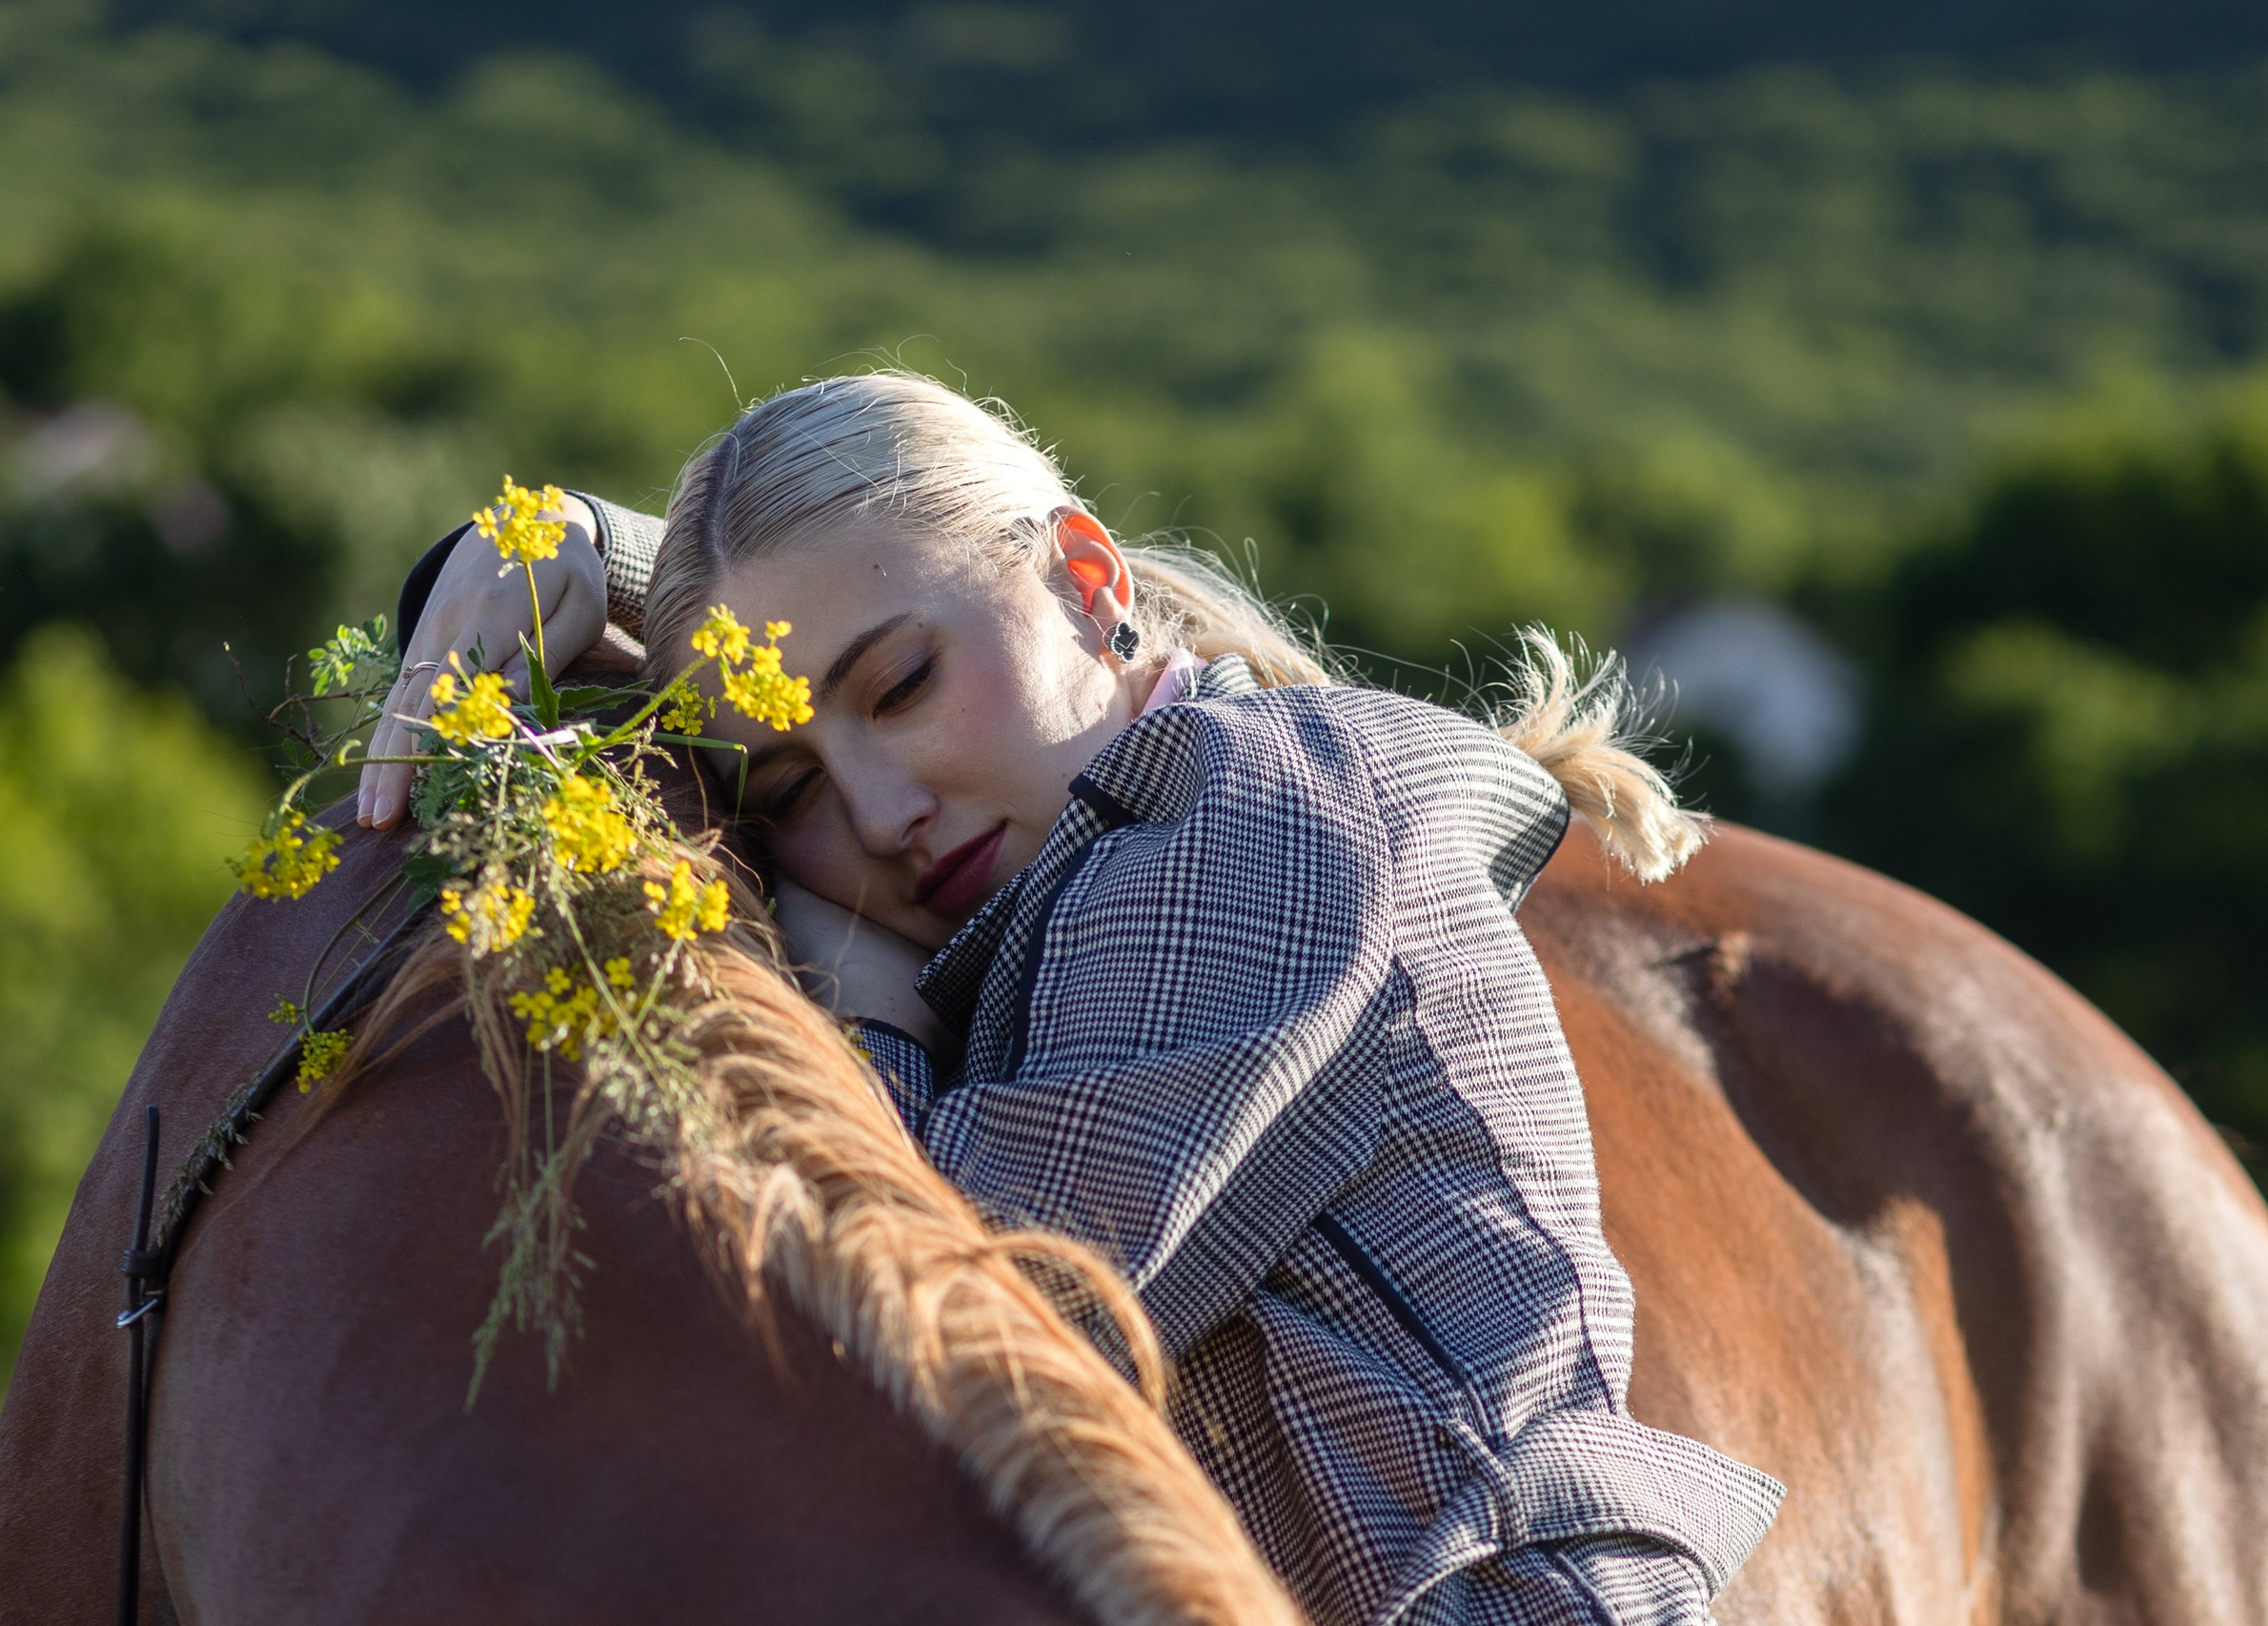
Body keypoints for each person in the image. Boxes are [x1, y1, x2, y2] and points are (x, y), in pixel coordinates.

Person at [363, 372, 1783, 1626]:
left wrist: (854, 1006)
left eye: (904, 683)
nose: (876, 813)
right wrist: (600, 561)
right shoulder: (1100, 846)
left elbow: (942, 1342)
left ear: (1090, 579)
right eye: (786, 787)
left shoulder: (1265, 824)